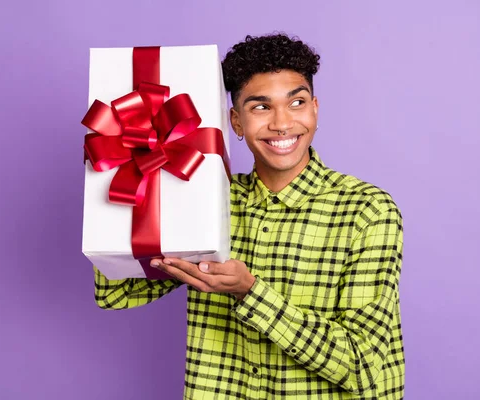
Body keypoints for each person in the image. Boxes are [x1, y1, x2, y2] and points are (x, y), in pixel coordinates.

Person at [94, 33, 405, 399]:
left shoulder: (367, 210)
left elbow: (363, 365)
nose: (282, 123)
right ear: (236, 122)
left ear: (315, 109)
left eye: (297, 102)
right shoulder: (207, 200)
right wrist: (132, 177)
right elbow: (115, 294)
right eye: (260, 107)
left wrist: (250, 292)